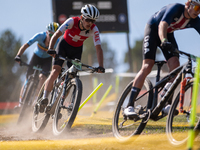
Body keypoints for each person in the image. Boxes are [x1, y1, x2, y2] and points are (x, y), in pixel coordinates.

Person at [124, 0, 200, 117]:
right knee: (147, 66)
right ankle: (129, 106)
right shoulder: (176, 8)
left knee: (175, 64)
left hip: (168, 33)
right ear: (188, 4)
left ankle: (166, 104)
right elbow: (162, 25)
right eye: (196, 8)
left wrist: (166, 39)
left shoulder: (195, 21)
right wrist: (163, 40)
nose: (198, 12)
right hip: (154, 29)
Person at [40, 4, 105, 108]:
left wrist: (101, 65)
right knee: (56, 71)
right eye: (88, 20)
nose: (90, 23)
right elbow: (56, 34)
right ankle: (44, 98)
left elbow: (98, 48)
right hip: (63, 46)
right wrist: (51, 48)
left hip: (76, 51)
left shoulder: (94, 29)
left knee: (72, 76)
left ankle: (56, 104)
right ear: (82, 17)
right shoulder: (72, 21)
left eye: (93, 21)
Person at [14, 22, 60, 109]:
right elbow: (26, 45)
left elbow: (59, 55)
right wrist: (18, 55)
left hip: (47, 60)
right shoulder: (40, 36)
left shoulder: (57, 42)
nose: (51, 37)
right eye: (50, 34)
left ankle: (36, 99)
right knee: (27, 79)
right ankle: (20, 103)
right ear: (47, 32)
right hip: (36, 57)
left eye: (54, 35)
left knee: (43, 77)